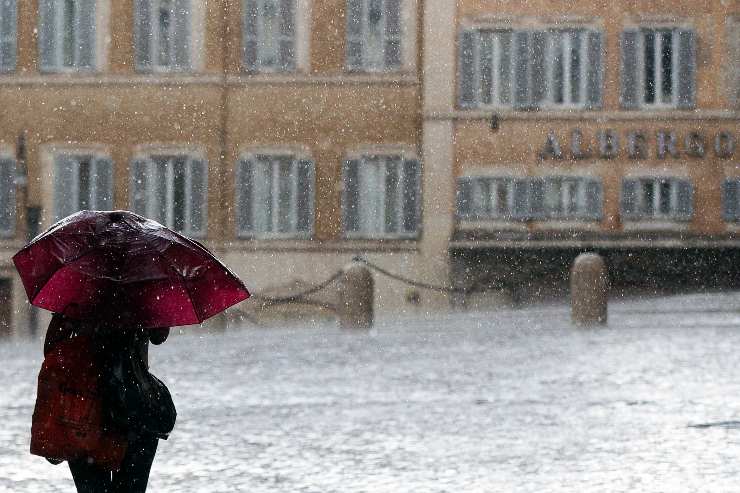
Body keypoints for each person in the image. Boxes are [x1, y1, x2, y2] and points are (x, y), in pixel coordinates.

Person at [35, 313, 172, 493]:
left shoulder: (79, 294)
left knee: (93, 487)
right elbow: (159, 335)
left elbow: (52, 350)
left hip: (86, 410)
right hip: (133, 407)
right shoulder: (141, 291)